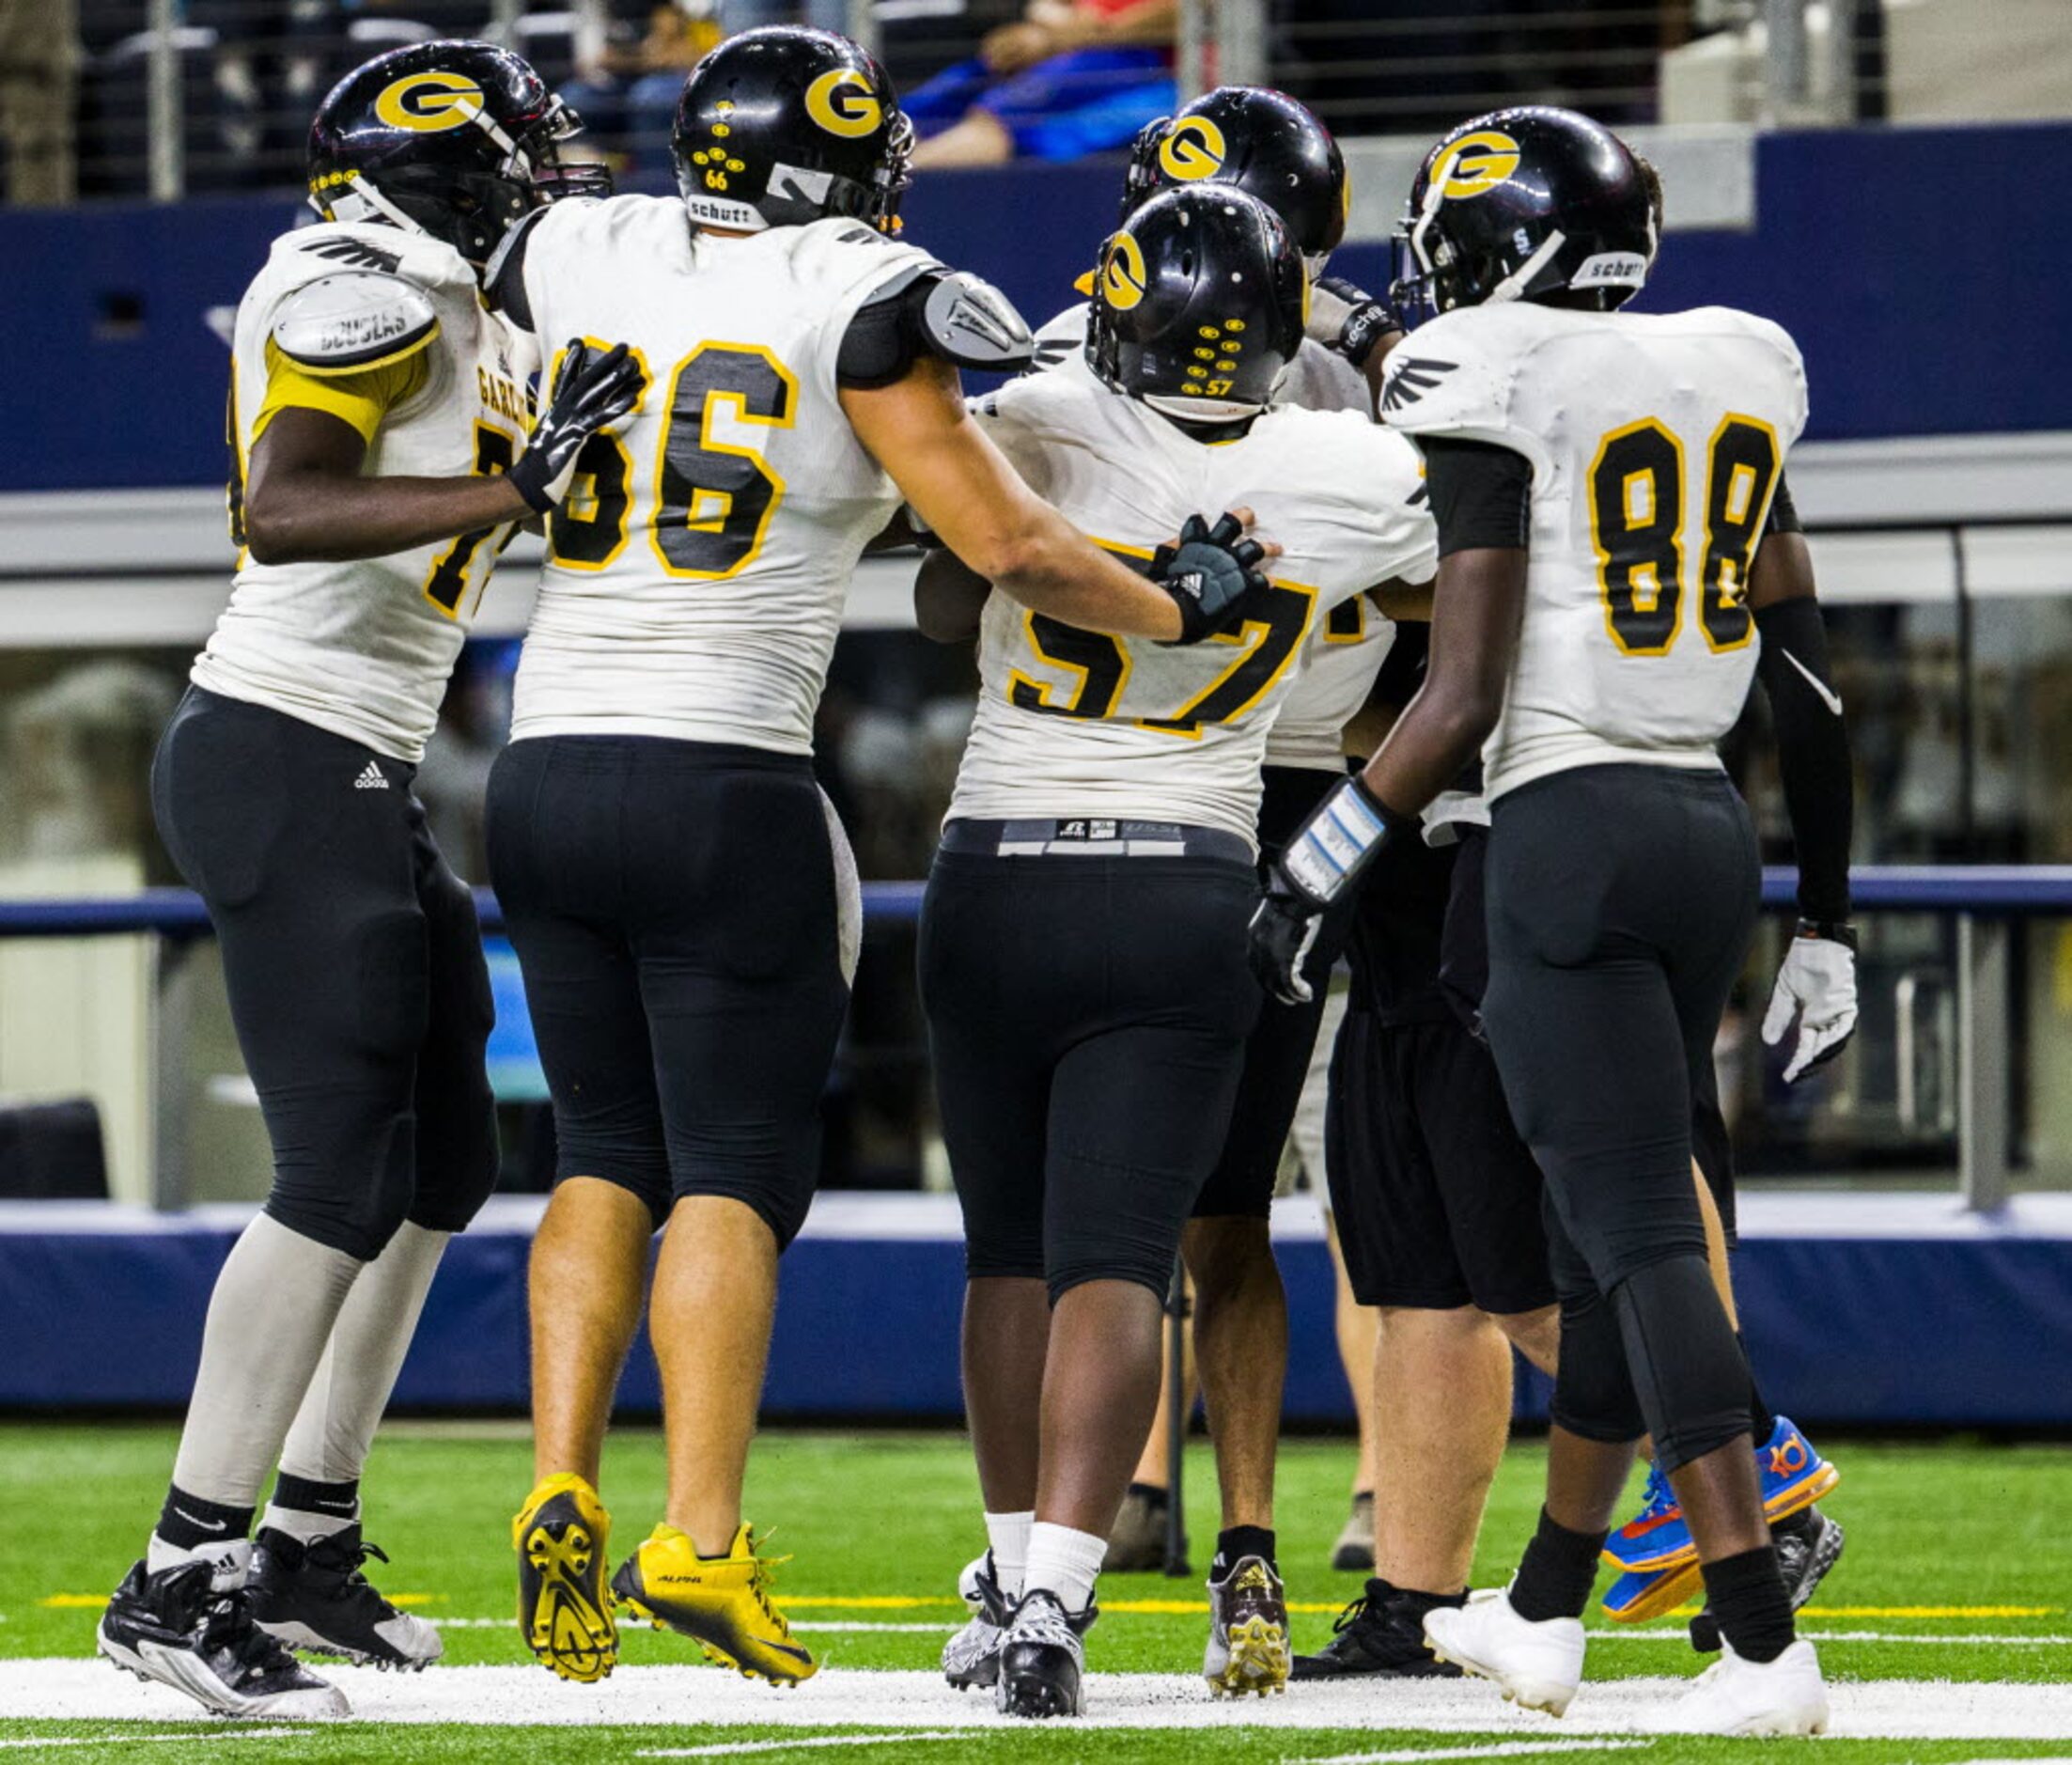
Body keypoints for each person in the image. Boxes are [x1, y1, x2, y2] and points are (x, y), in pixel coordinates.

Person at [481, 25, 1278, 1690]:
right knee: (729, 1174)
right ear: (842, 166)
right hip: (723, 769)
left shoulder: (578, 240)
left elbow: (480, 269)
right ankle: (696, 1529)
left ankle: (560, 1472)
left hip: (542, 764)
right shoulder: (868, 285)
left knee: (596, 1149)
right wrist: (1179, 601)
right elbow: (1010, 542)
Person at [1249, 105, 1847, 1735]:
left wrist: (1316, 868)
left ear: (1492, 250)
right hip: (1704, 826)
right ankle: (1542, 1606)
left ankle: (1756, 1639)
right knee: (1598, 1239)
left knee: (1637, 1232)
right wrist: (1832, 915)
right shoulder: (1734, 357)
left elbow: (1459, 693)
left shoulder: (1477, 369)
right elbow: (1805, 679)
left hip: (1563, 827)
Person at [95, 41, 634, 1720]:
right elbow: (287, 498)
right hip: (278, 737)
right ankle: (180, 1573)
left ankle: (306, 1538)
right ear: (438, 166)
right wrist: (513, 484)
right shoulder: (360, 283)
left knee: (445, 1157)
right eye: (514, 149)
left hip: (362, 757)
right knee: (336, 1165)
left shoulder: (462, 299)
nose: (542, 173)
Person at [919, 184, 1438, 1718]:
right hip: (1185, 878)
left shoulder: (1038, 414)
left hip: (997, 865)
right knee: (1119, 1263)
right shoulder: (1343, 461)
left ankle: (1018, 1576)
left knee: (1009, 1254)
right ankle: (1056, 1602)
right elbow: (1444, 592)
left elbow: (952, 588)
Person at [1292, 624, 1562, 1680]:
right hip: (1386, 962)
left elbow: (1446, 698)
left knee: (1529, 1290)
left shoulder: (1447, 507)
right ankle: (1414, 1603)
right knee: (1415, 1296)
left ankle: (1749, 1510)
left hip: (1481, 940)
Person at [905, 0, 1176, 169]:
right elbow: (1047, 7)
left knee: (1000, 116)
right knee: (929, 105)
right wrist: (1036, 33)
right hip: (1061, 44)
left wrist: (1072, 37)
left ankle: (904, 178)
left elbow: (1188, 14)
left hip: (1137, 59)